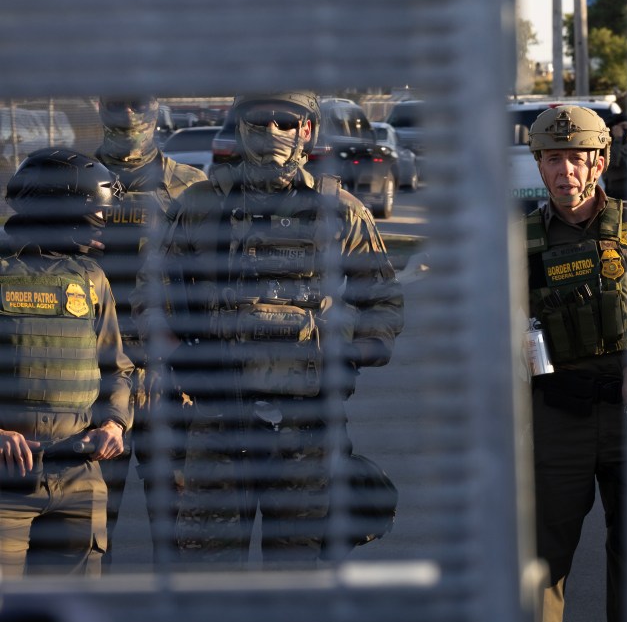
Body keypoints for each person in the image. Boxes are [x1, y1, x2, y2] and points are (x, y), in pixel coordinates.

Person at [141, 91, 405, 566]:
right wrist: (180, 355)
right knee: (209, 574)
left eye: (286, 122)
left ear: (307, 130)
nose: (273, 134)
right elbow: (152, 295)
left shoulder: (340, 210)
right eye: (260, 122)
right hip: (219, 422)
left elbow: (382, 299)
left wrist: (350, 353)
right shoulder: (199, 206)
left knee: (296, 576)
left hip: (306, 429)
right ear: (240, 127)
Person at [523, 105, 627, 622]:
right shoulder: (517, 242)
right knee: (542, 563)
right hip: (556, 418)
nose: (564, 171)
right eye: (552, 159)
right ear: (538, 165)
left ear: (600, 161)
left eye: (575, 158)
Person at [0, 149, 133, 577]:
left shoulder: (91, 278)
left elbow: (116, 368)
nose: (100, 226)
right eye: (92, 214)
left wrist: (114, 424)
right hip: (6, 482)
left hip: (79, 477)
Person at [93, 96, 206, 568]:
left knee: (180, 532)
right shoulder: (68, 179)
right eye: (117, 100)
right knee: (89, 532)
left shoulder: (191, 188)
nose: (129, 113)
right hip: (92, 379)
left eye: (139, 101)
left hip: (170, 379)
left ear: (157, 106)